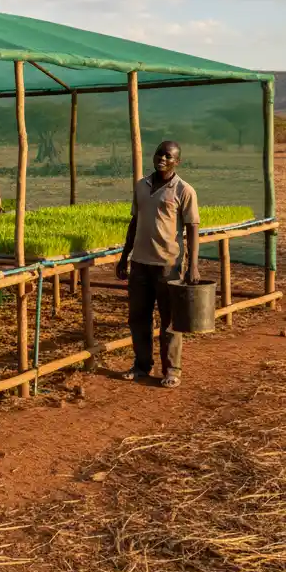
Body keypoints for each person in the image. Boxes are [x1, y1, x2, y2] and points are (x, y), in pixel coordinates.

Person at [115, 140, 200, 389]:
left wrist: (192, 265)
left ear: (177, 161)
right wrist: (124, 256)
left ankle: (172, 370)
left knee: (170, 321)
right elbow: (134, 223)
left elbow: (193, 229)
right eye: (159, 154)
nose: (162, 158)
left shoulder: (184, 190)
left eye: (168, 156)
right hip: (140, 263)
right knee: (138, 317)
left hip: (168, 264)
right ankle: (141, 365)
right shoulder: (142, 186)